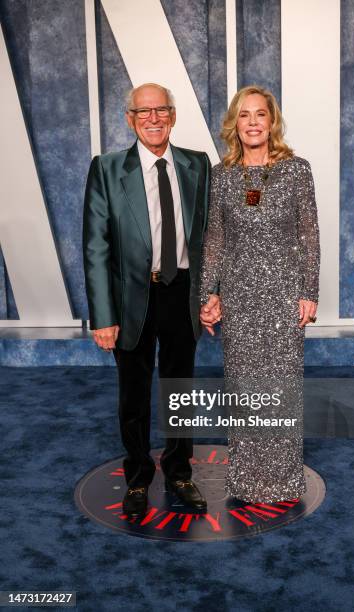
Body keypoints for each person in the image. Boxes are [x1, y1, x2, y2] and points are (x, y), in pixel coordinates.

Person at [83, 83, 210, 516]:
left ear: (173, 116)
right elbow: (96, 247)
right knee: (133, 394)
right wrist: (102, 316)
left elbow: (210, 237)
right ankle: (138, 478)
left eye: (161, 111)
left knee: (180, 390)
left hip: (182, 293)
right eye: (143, 112)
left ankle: (179, 472)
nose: (153, 119)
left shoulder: (198, 165)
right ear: (130, 118)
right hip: (130, 299)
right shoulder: (107, 168)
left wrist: (213, 293)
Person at [200, 85, 320, 503]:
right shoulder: (222, 175)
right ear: (236, 123)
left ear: (272, 122)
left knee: (282, 385)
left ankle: (284, 480)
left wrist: (310, 290)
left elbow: (309, 234)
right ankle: (247, 480)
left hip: (284, 293)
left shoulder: (296, 170)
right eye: (245, 115)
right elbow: (215, 240)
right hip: (239, 295)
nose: (253, 123)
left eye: (261, 115)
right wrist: (207, 294)